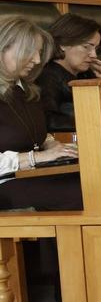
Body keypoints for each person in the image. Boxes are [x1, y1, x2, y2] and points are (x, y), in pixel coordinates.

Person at [0, 16, 82, 210]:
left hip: (31, 175)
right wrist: (36, 158)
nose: (37, 60)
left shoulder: (27, 90)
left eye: (38, 53)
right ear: (3, 48)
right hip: (5, 185)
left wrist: (53, 144)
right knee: (79, 194)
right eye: (30, 52)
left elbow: (28, 131)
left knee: (96, 182)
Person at [40, 13, 101, 131]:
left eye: (96, 49)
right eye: (87, 47)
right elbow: (48, 120)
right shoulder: (47, 76)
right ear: (63, 44)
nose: (94, 55)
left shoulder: (85, 73)